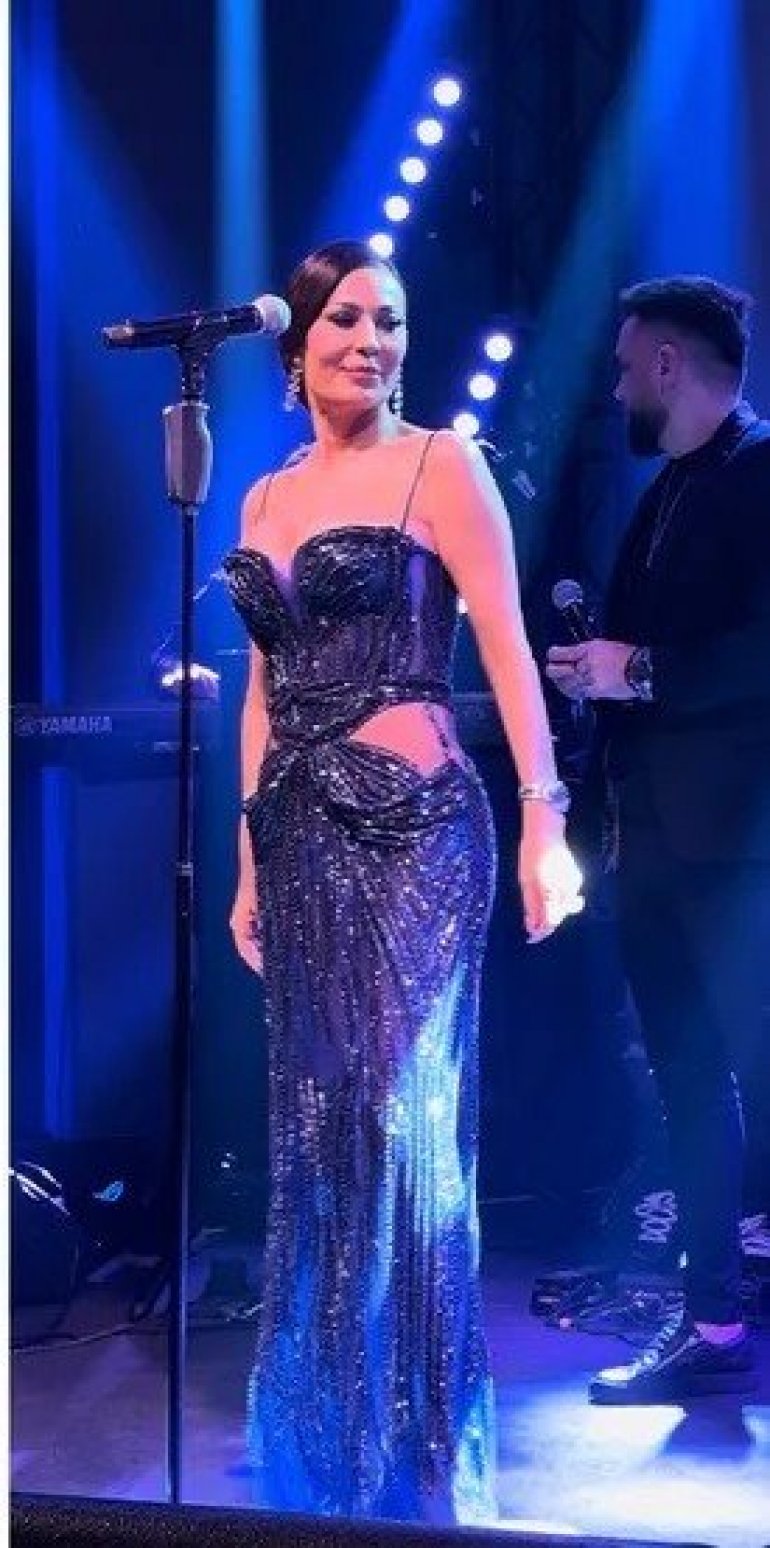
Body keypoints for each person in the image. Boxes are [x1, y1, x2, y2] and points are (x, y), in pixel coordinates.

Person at [221, 239, 582, 1522]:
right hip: (300, 839)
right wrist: (249, 856)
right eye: (343, 319)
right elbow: (261, 694)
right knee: (321, 1131)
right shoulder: (262, 497)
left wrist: (543, 818)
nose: (369, 341)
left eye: (389, 321)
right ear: (295, 339)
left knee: (396, 1122)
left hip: (415, 835)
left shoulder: (443, 464)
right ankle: (329, 1434)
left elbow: (509, 648)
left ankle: (416, 1449)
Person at [547, 275, 770, 1404]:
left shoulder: (759, 471)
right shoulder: (673, 487)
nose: (618, 386)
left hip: (741, 851)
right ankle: (713, 1322)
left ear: (670, 364)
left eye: (628, 366)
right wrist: (601, 675)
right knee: (687, 1082)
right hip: (660, 846)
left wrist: (633, 669)